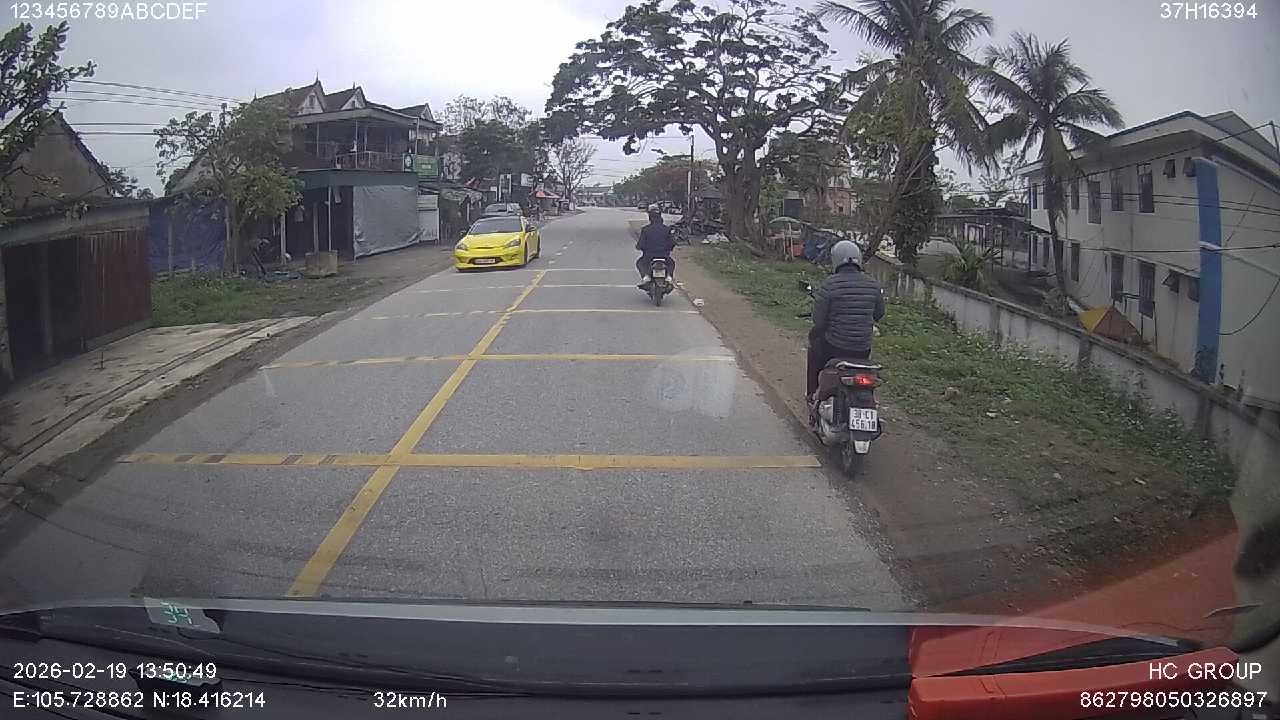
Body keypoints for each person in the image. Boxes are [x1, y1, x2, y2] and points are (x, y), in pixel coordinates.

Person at [808, 240, 884, 400]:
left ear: (835, 260)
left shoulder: (829, 284)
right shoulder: (873, 285)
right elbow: (879, 314)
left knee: (814, 341)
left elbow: (819, 321)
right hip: (863, 348)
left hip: (836, 346)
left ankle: (812, 393)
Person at [635, 204, 676, 288]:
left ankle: (646, 277)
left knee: (639, 263)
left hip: (649, 256)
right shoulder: (667, 229)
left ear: (650, 218)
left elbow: (641, 244)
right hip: (664, 256)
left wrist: (639, 247)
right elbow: (672, 243)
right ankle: (669, 277)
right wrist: (669, 248)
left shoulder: (646, 229)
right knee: (671, 263)